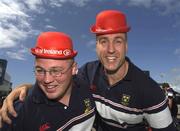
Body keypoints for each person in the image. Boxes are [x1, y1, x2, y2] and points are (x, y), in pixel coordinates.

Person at [0, 10, 176, 131]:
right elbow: (58, 79)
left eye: (118, 41)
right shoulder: (86, 73)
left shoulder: (149, 91)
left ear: (127, 46)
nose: (111, 49)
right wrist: (25, 88)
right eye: (103, 41)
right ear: (96, 46)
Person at [0, 32, 96, 131]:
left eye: (56, 71)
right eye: (40, 70)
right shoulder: (17, 113)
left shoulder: (88, 80)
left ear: (73, 69)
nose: (47, 80)